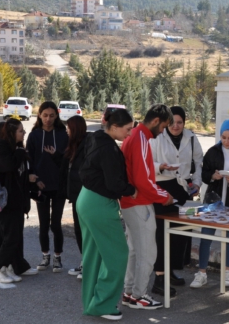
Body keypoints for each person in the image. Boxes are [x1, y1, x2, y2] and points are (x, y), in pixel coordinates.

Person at [78, 108, 137, 321]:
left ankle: (92, 303)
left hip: (85, 199)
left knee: (93, 255)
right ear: (114, 127)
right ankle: (103, 304)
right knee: (118, 254)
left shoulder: (95, 139)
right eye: (127, 129)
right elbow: (114, 183)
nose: (129, 134)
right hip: (99, 204)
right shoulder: (109, 149)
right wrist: (132, 189)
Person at [120, 104, 175, 310]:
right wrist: (164, 196)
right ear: (155, 121)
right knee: (147, 253)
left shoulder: (133, 135)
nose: (162, 132)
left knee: (134, 250)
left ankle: (129, 292)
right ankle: (139, 295)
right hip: (139, 203)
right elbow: (143, 180)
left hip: (131, 202)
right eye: (163, 127)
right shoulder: (141, 138)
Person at [191, 119, 229, 289]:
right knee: (206, 235)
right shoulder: (212, 151)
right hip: (213, 199)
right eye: (223, 137)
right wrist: (213, 176)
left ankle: (227, 272)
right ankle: (201, 272)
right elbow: (203, 174)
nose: (226, 141)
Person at [149, 106, 203, 296]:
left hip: (183, 190)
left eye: (180, 122)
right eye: (172, 122)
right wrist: (161, 168)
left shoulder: (192, 138)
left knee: (180, 233)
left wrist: (196, 183)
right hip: (162, 187)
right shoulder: (157, 137)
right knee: (162, 233)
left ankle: (170, 271)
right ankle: (158, 278)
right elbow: (148, 162)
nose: (176, 126)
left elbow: (199, 163)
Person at [0, 118, 40, 284]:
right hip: (5, 202)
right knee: (10, 238)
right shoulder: (3, 149)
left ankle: (8, 267)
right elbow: (8, 167)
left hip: (15, 201)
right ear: (12, 133)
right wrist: (19, 154)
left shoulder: (13, 149)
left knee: (11, 236)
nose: (24, 134)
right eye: (21, 131)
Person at [26, 101, 69, 273]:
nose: (48, 119)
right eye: (45, 115)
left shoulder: (62, 135)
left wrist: (56, 154)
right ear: (39, 115)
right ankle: (45, 256)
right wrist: (35, 180)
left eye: (52, 115)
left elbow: (66, 161)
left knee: (56, 224)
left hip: (58, 186)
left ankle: (58, 257)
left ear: (57, 116)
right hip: (40, 186)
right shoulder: (34, 135)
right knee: (43, 224)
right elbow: (29, 160)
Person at [56, 116, 88, 280]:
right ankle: (85, 262)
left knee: (85, 231)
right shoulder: (72, 145)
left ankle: (89, 265)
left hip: (85, 196)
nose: (67, 131)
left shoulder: (87, 145)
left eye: (69, 128)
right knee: (79, 230)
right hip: (75, 195)